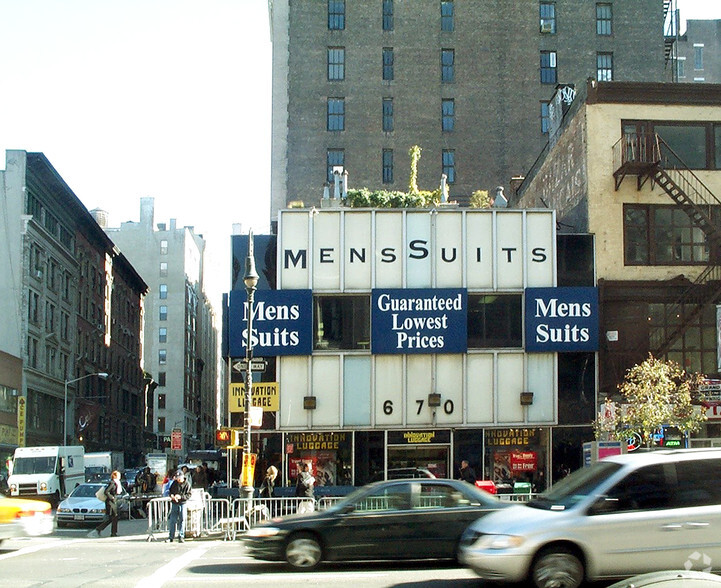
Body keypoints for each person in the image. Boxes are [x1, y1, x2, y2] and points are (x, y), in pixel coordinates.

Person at [88, 470, 123, 538]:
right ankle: (113, 533)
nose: (120, 476)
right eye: (118, 475)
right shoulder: (112, 483)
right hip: (110, 502)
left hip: (113, 501)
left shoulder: (117, 483)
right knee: (115, 517)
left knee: (112, 518)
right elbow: (106, 491)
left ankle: (100, 529)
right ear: (115, 476)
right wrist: (112, 497)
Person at [166, 470, 192, 543]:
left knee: (182, 520)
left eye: (179, 478)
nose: (178, 479)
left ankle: (181, 536)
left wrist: (181, 497)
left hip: (182, 503)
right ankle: (171, 537)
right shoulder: (175, 483)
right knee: (172, 520)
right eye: (177, 478)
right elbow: (170, 491)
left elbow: (189, 495)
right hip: (174, 503)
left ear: (182, 476)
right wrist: (172, 496)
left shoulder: (187, 484)